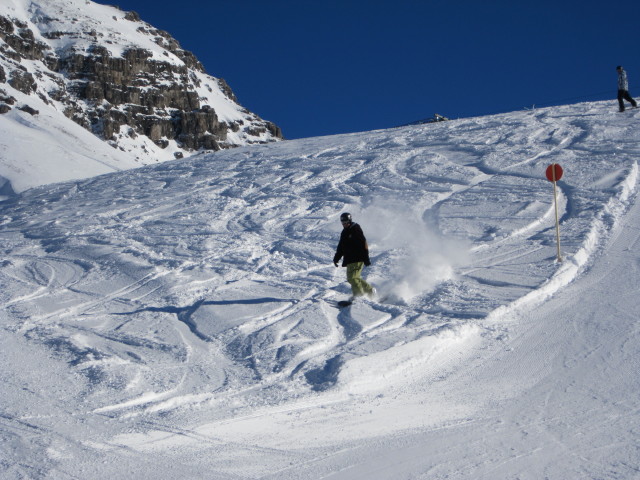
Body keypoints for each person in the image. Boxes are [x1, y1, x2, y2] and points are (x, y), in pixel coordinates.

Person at [333, 212, 375, 300]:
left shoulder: (355, 229)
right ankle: (369, 290)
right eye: (342, 223)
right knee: (352, 278)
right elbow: (341, 246)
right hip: (349, 259)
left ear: (349, 221)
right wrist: (337, 258)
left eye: (345, 222)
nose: (344, 224)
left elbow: (364, 244)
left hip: (358, 258)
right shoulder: (344, 232)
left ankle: (359, 296)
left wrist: (366, 258)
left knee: (352, 278)